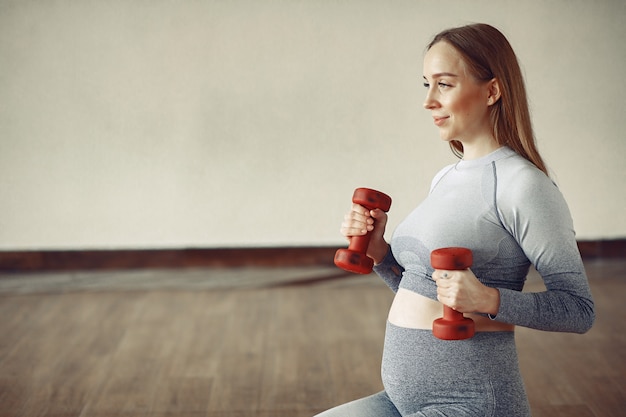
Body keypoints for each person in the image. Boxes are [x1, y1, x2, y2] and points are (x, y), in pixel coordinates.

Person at [315, 23, 595, 417]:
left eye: (444, 84)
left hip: (474, 404)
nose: (429, 101)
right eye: (426, 84)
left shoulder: (524, 186)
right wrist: (380, 253)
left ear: (492, 91)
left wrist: (489, 300)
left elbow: (579, 310)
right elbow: (422, 289)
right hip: (400, 400)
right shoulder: (447, 177)